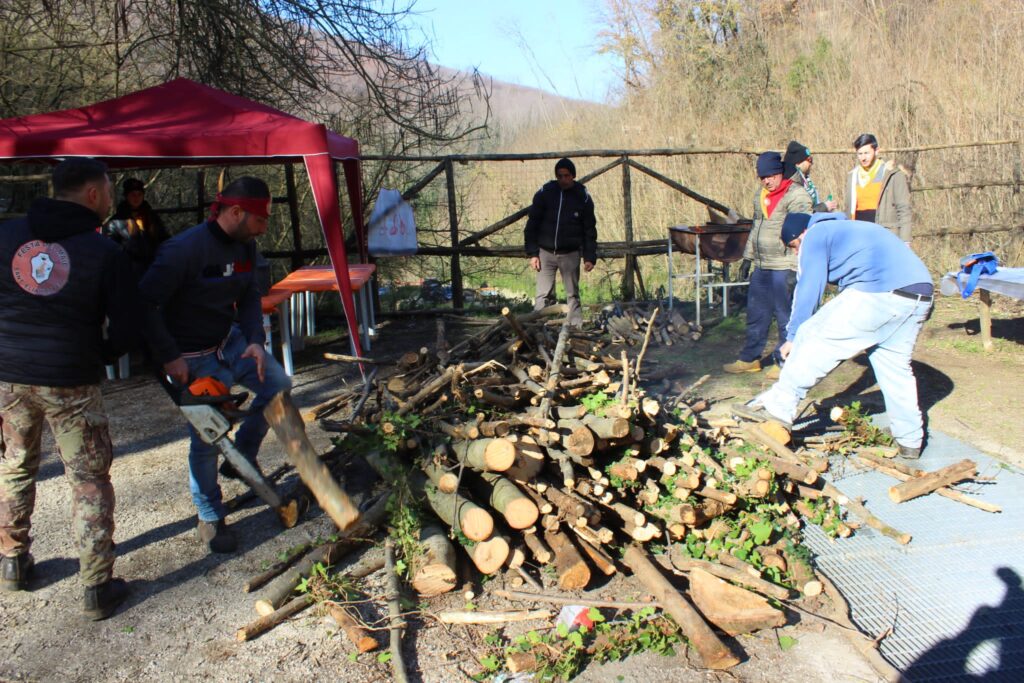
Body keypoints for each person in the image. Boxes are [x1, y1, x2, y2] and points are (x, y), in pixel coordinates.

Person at [0, 158, 138, 619]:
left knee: (16, 467)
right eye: (110, 189)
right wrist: (99, 354)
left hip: (9, 374)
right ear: (95, 194)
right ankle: (97, 587)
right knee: (88, 478)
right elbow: (125, 326)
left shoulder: (4, 236)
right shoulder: (105, 253)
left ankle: (12, 562)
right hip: (70, 379)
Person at [139, 176, 291, 554]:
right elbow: (143, 305)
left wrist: (255, 341)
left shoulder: (246, 247)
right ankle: (209, 515)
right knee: (208, 438)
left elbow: (251, 296)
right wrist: (169, 357)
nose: (265, 226)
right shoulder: (182, 251)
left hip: (232, 344)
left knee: (278, 386)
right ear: (236, 212)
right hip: (191, 359)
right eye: (261, 218)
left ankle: (243, 456)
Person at [747, 211, 933, 458]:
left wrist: (792, 336)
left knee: (813, 334)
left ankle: (778, 409)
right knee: (894, 370)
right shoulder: (848, 231)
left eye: (793, 247)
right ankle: (910, 439)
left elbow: (808, 288)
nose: (795, 253)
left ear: (801, 234)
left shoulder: (815, 234)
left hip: (880, 292)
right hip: (920, 296)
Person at [723, 151, 812, 378]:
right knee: (756, 313)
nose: (766, 181)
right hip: (762, 264)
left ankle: (785, 362)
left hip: (784, 263)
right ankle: (750, 358)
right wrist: (747, 258)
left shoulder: (797, 195)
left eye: (770, 176)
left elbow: (802, 233)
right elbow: (756, 228)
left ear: (780, 172)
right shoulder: (760, 196)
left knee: (785, 315)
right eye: (762, 177)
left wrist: (795, 263)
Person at [524, 158, 597, 326]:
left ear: (573, 176)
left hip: (570, 253)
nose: (563, 179)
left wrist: (589, 256)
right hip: (545, 253)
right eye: (560, 176)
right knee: (543, 294)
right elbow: (532, 224)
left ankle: (575, 329)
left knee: (572, 294)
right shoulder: (545, 193)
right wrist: (533, 253)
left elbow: (589, 230)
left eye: (567, 176)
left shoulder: (583, 197)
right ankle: (539, 329)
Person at [846, 133, 912, 244]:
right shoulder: (852, 176)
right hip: (859, 237)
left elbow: (903, 209)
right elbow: (848, 210)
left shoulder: (892, 174)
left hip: (885, 235)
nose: (863, 157)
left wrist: (905, 240)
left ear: (877, 151)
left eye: (866, 153)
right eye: (860, 154)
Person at [107, 178, 171, 274]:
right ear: (126, 196)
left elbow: (163, 238)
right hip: (128, 270)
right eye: (133, 195)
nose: (136, 198)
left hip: (153, 266)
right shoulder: (116, 222)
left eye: (139, 195)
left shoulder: (152, 217)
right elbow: (112, 248)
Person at [782, 140, 838, 213]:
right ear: (798, 162)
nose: (811, 163)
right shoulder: (791, 185)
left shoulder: (805, 180)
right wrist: (824, 207)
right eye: (809, 160)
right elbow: (803, 214)